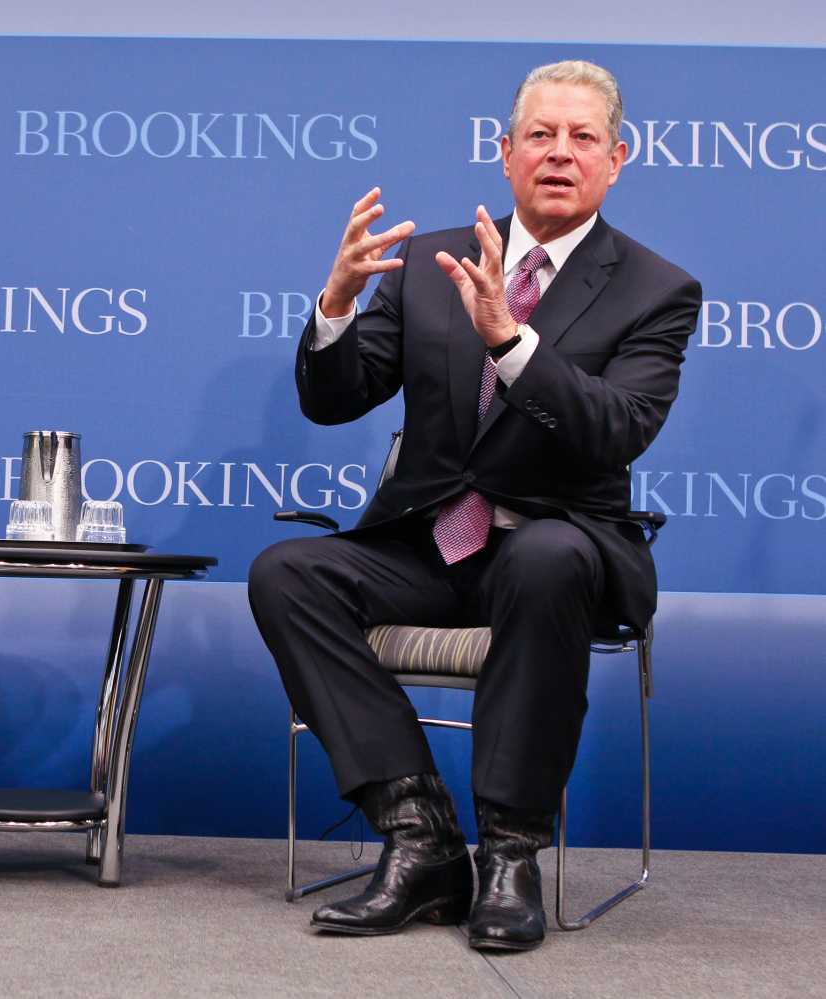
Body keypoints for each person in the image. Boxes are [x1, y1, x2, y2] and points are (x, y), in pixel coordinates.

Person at [248, 61, 701, 951]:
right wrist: (336, 305)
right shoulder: (431, 263)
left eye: (582, 138)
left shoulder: (656, 289)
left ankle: (509, 852)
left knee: (544, 557)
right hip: (428, 550)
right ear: (505, 153)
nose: (559, 153)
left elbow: (617, 428)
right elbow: (335, 400)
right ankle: (418, 834)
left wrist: (509, 338)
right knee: (287, 573)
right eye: (540, 135)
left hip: (558, 553)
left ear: (617, 159)